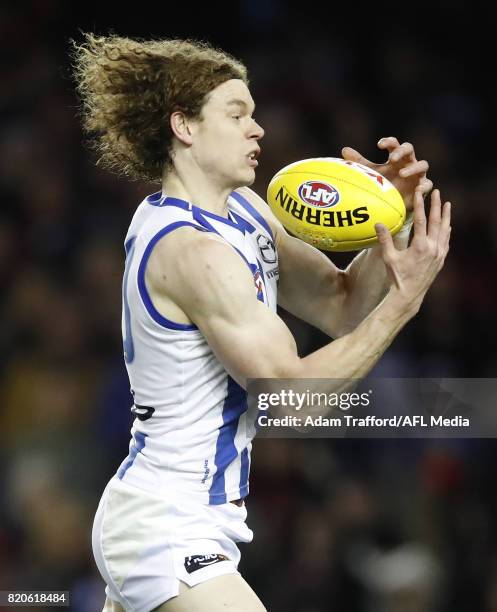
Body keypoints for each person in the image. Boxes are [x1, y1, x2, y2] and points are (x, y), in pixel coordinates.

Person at [71, 33, 451, 612]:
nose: (259, 129)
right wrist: (404, 302)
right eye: (238, 113)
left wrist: (391, 216)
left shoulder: (246, 214)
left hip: (187, 518)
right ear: (184, 127)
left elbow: (342, 303)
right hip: (166, 526)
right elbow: (290, 399)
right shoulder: (190, 252)